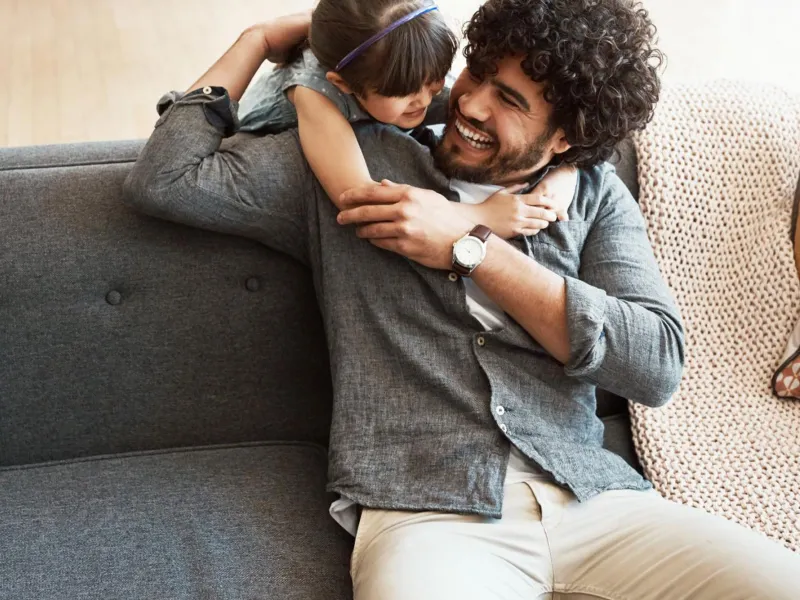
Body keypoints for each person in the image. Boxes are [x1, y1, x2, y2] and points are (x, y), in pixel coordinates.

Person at [123, 0, 800, 597]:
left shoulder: (588, 194)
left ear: (564, 137)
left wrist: (471, 246)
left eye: (510, 100)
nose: (471, 103)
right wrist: (259, 40)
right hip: (428, 515)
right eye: (476, 72)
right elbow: (167, 180)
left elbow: (654, 365)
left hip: (598, 502)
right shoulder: (349, 165)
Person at [236, 1, 578, 239]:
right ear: (344, 85)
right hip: (255, 135)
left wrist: (564, 173)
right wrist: (480, 216)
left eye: (435, 80)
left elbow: (574, 132)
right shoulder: (317, 96)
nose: (426, 100)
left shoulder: (406, 63)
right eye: (406, 94)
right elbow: (358, 198)